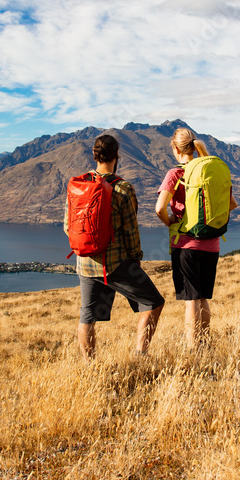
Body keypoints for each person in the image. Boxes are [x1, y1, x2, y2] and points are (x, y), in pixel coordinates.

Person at [65, 134, 164, 363]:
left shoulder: (78, 186)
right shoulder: (123, 189)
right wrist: (136, 258)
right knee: (153, 303)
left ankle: (90, 366)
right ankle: (140, 356)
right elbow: (131, 231)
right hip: (116, 264)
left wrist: (87, 247)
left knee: (87, 317)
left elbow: (67, 226)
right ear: (116, 156)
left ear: (94, 155)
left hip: (85, 262)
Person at [155, 127, 237, 348]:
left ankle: (193, 349)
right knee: (202, 298)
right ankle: (205, 344)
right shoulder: (209, 170)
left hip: (186, 244)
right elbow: (232, 204)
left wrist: (171, 221)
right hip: (212, 244)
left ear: (175, 148)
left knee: (191, 299)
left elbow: (159, 208)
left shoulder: (175, 173)